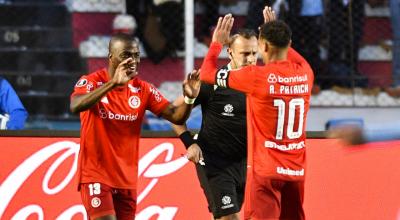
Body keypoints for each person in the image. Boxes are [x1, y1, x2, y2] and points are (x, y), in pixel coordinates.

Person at [70, 33, 200, 220]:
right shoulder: (91, 81)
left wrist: (189, 98)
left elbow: (175, 116)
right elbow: (75, 106)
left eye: (136, 55)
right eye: (125, 55)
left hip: (126, 179)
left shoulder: (143, 89)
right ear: (111, 57)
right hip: (95, 175)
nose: (133, 61)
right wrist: (113, 84)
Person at [200, 7, 313, 220]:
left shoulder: (255, 77)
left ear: (263, 46)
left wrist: (216, 43)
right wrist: (272, 29)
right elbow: (288, 50)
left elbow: (206, 74)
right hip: (296, 173)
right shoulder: (306, 72)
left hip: (265, 172)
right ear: (289, 44)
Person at [172, 29, 258, 220]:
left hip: (246, 163)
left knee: (222, 217)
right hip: (214, 162)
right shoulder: (212, 82)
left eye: (254, 53)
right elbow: (173, 113)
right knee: (229, 218)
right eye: (245, 53)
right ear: (230, 53)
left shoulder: (258, 81)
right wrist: (189, 143)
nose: (251, 59)